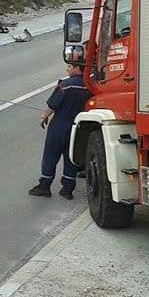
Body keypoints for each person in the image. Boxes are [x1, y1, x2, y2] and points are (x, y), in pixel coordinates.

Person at [28, 61, 91, 199]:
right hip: (78, 128)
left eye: (69, 66)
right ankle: (67, 189)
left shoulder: (65, 85)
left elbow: (53, 105)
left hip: (59, 126)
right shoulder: (90, 86)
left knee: (50, 155)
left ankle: (45, 186)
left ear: (77, 69)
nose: (67, 69)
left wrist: (44, 116)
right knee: (71, 158)